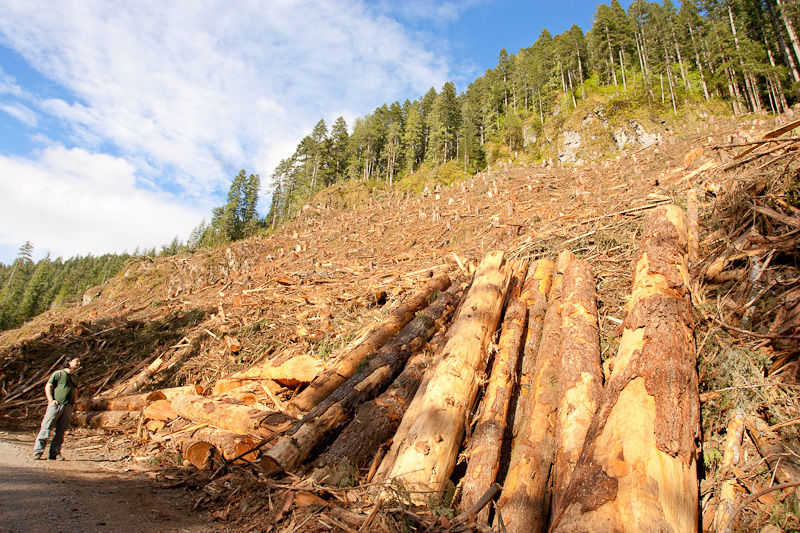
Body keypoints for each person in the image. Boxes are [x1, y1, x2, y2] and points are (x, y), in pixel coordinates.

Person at [33, 356, 80, 460]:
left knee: (61, 430)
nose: (78, 363)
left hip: (68, 406)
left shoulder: (75, 376)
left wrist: (74, 403)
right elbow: (48, 386)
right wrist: (50, 400)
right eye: (76, 361)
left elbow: (75, 390)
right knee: (46, 427)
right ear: (69, 362)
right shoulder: (58, 374)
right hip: (56, 405)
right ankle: (38, 452)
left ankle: (55, 453)